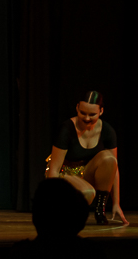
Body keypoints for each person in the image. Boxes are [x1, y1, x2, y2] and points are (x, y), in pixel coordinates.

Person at [45, 90, 126, 226]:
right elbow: (54, 169)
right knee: (87, 192)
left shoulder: (107, 131)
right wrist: (51, 203)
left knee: (109, 158)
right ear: (77, 108)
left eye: (92, 114)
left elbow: (113, 169)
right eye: (83, 113)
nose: (87, 118)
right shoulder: (66, 129)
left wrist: (116, 203)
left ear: (101, 111)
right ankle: (66, 214)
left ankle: (100, 210)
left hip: (87, 172)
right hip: (64, 174)